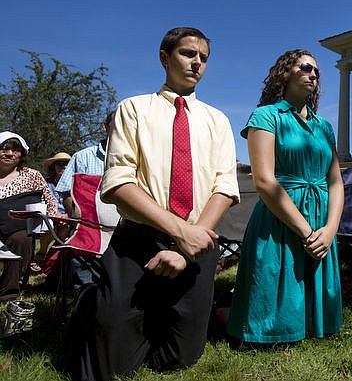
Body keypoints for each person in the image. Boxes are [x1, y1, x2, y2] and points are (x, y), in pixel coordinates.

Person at [74, 27, 240, 381]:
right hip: (139, 240)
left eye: (204, 58)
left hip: (198, 243)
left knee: (180, 359)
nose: (197, 63)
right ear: (165, 57)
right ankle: (98, 301)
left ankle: (148, 311)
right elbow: (118, 183)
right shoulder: (133, 109)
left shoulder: (218, 121)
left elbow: (224, 187)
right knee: (112, 365)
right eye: (188, 54)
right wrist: (181, 232)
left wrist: (189, 245)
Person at [227, 49, 344, 343]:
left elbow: (336, 182)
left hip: (320, 215)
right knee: (273, 284)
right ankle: (255, 323)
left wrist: (329, 230)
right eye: (305, 67)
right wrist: (306, 232)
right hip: (280, 216)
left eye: (316, 70)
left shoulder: (324, 127)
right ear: (285, 73)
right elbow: (264, 180)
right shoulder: (265, 116)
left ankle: (311, 322)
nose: (313, 74)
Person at [0, 132, 60, 301]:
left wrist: (51, 220)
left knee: (23, 239)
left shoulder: (32, 175)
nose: (10, 153)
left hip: (18, 228)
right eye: (4, 149)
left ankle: (7, 292)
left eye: (15, 150)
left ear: (22, 155)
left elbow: (50, 201)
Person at [55, 114, 113, 217]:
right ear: (105, 126)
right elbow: (66, 193)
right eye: (116, 124)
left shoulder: (136, 160)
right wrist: (78, 220)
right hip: (91, 226)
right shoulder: (82, 157)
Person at [31, 152, 70, 272]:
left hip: (68, 218)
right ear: (53, 167)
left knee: (65, 230)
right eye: (60, 164)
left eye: (67, 164)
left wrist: (67, 215)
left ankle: (51, 261)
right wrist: (55, 214)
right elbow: (42, 201)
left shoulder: (75, 183)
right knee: (50, 227)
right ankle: (42, 253)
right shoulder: (46, 183)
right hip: (50, 216)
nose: (63, 167)